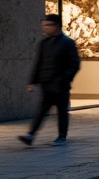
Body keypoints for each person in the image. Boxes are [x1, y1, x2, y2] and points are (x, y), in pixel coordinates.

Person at [19, 14, 80, 146]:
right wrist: (33, 81)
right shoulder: (44, 43)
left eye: (47, 25)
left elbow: (75, 64)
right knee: (41, 110)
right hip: (47, 84)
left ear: (56, 26)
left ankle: (62, 136)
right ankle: (30, 134)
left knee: (62, 111)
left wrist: (65, 78)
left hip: (61, 85)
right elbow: (39, 63)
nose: (44, 28)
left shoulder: (67, 43)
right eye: (43, 25)